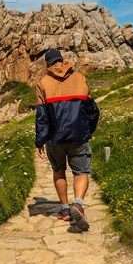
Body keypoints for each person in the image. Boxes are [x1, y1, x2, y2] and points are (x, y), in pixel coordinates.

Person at [35, 48, 95, 232]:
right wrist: (89, 130)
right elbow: (92, 110)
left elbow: (42, 117)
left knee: (59, 170)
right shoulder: (79, 78)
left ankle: (65, 209)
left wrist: (40, 141)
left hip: (55, 138)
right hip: (78, 135)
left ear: (48, 64)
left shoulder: (43, 83)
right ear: (62, 61)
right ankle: (78, 203)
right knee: (81, 171)